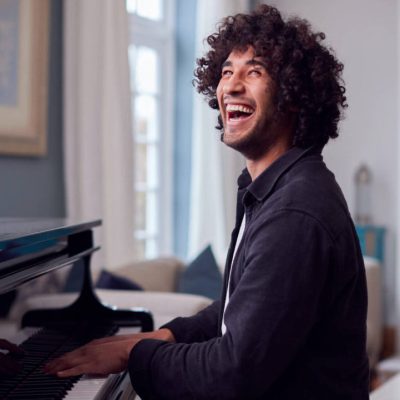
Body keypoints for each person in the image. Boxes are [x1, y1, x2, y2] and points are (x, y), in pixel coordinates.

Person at [45, 4, 369, 399]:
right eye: (227, 71)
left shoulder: (294, 212)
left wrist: (137, 354)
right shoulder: (274, 189)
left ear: (294, 95)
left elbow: (230, 374)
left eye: (254, 71)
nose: (230, 86)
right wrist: (167, 334)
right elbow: (241, 311)